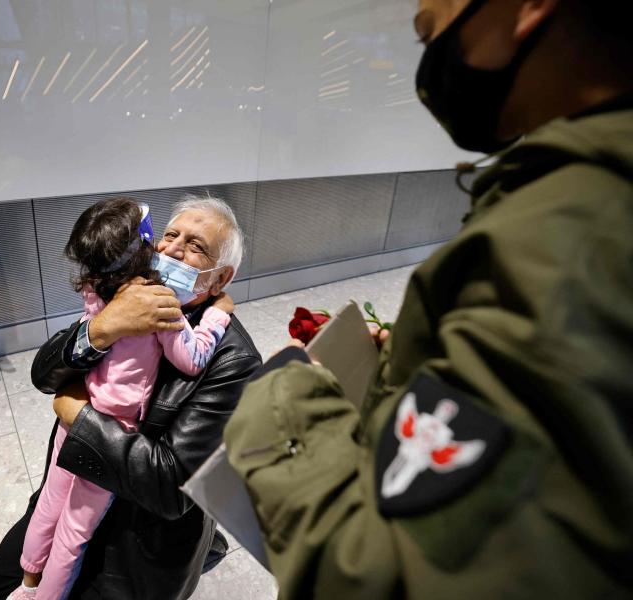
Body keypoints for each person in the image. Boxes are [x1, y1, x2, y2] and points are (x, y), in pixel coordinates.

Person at [224, 0, 633, 598]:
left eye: (430, 29)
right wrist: (423, 356)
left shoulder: (573, 234)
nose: (426, 65)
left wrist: (284, 393)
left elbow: (386, 575)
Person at [0, 196, 262, 599]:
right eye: (169, 235)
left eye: (196, 246)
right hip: (75, 475)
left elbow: (170, 486)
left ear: (219, 280)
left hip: (139, 534)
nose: (172, 250)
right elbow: (44, 374)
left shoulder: (234, 361)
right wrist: (102, 329)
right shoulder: (126, 295)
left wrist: (79, 416)